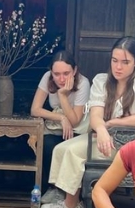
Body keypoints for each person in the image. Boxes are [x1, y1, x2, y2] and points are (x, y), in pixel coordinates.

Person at [40, 36, 135, 208]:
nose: (118, 67)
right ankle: (68, 200)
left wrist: (112, 124)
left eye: (125, 62)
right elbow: (96, 116)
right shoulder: (102, 81)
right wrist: (103, 130)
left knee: (73, 152)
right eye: (114, 61)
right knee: (60, 148)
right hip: (104, 138)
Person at [30, 50, 90, 192]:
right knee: (46, 145)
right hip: (56, 126)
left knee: (66, 149)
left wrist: (62, 96)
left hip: (77, 129)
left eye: (66, 73)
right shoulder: (47, 78)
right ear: (51, 72)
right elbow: (35, 109)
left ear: (74, 70)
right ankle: (50, 189)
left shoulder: (83, 83)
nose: (61, 79)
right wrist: (61, 118)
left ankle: (65, 192)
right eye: (56, 74)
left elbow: (75, 120)